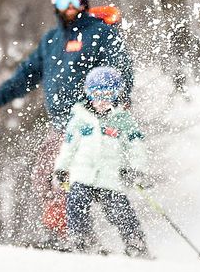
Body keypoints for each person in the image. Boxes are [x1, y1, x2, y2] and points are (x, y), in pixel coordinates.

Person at [0, 0, 132, 246]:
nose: (69, 7)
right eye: (63, 0)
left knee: (87, 180)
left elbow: (121, 67)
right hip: (62, 125)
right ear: (55, 3)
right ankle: (69, 235)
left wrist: (118, 98)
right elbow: (26, 75)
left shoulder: (100, 33)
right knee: (47, 175)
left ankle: (104, 237)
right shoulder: (51, 41)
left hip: (91, 123)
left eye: (74, 0)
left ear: (84, 1)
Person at [53, 66, 150, 257]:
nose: (102, 101)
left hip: (110, 176)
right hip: (83, 175)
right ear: (89, 94)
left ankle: (135, 242)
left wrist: (135, 170)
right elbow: (69, 146)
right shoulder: (80, 119)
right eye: (96, 95)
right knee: (76, 202)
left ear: (116, 96)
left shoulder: (123, 120)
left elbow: (136, 147)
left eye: (108, 95)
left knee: (119, 209)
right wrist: (61, 168)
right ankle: (82, 239)